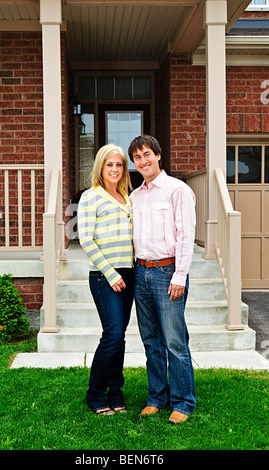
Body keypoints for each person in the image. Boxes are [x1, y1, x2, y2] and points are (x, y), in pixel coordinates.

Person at [128, 135, 196, 424]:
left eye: (147, 155)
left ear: (158, 155)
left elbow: (186, 235)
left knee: (175, 342)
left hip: (168, 272)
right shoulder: (134, 196)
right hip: (140, 271)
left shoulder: (177, 190)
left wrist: (180, 275)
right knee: (150, 340)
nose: (143, 161)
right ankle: (157, 397)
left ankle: (183, 402)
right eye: (137, 157)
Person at [77, 143, 134, 416]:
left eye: (119, 164)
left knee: (120, 337)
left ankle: (117, 391)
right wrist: (110, 274)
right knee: (112, 334)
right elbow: (85, 239)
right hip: (104, 276)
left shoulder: (127, 197)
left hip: (130, 273)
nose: (115, 169)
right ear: (101, 167)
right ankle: (95, 393)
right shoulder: (91, 197)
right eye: (109, 164)